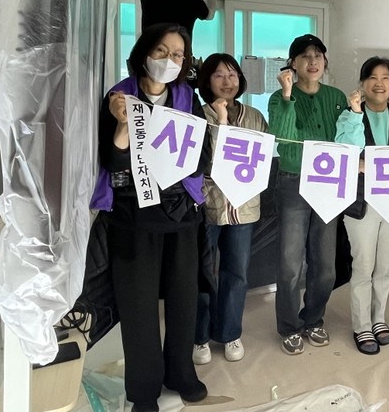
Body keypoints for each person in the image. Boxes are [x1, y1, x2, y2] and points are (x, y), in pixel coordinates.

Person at [90, 23, 211, 412]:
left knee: (183, 300)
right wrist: (123, 123)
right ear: (144, 52)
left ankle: (181, 374)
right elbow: (112, 162)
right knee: (138, 306)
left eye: (177, 54)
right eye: (161, 51)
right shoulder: (118, 97)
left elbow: (203, 157)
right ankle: (143, 390)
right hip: (132, 217)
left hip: (180, 214)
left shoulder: (188, 98)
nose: (169, 60)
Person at [268, 34, 346, 355]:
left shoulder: (337, 96)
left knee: (325, 264)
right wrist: (288, 95)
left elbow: (347, 138)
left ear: (325, 61)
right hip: (293, 181)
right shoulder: (279, 97)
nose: (312, 62)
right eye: (305, 56)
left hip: (329, 183)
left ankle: (314, 318)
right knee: (290, 264)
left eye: (318, 56)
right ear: (293, 64)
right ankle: (289, 325)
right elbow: (282, 138)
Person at [335, 57, 389, 355]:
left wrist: (366, 164)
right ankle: (362, 326)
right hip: (361, 204)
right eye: (372, 77)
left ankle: (378, 318)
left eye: (385, 77)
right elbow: (348, 151)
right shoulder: (349, 115)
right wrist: (356, 113)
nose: (379, 83)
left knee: (385, 266)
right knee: (363, 265)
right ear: (362, 83)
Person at [192, 54, 268, 365]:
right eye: (219, 75)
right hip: (208, 205)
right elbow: (204, 161)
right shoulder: (198, 115)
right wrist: (221, 122)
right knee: (203, 274)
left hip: (243, 207)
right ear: (207, 81)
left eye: (233, 75)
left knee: (236, 273)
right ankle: (199, 336)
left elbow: (262, 158)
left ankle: (229, 332)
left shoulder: (254, 116)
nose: (227, 81)